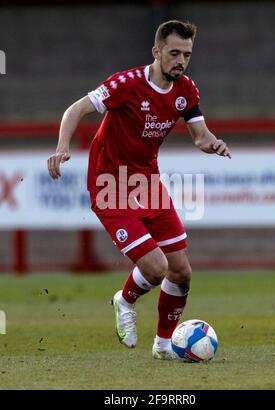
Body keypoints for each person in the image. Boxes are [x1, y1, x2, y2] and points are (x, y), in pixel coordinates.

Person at [47, 20, 231, 360]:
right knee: (157, 268)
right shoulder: (126, 84)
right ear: (156, 52)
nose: (180, 61)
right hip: (109, 186)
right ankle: (125, 300)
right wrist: (62, 147)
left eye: (186, 55)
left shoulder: (185, 90)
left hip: (148, 183)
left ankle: (163, 345)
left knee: (181, 272)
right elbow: (76, 109)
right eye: (174, 53)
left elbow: (200, 135)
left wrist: (212, 143)